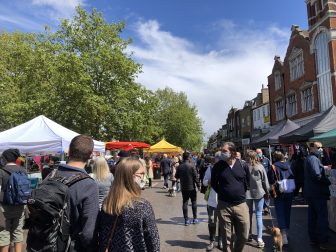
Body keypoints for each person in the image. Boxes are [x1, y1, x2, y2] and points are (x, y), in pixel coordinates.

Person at [98, 157, 160, 251]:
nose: (144, 177)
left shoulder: (107, 203)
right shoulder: (142, 206)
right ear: (131, 176)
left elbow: (102, 234)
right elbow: (153, 242)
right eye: (142, 174)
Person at [52, 135, 99, 251]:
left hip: (44, 243)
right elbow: (89, 233)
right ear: (90, 155)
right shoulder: (88, 184)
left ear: (69, 151)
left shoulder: (51, 175)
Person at [211, 142, 250, 252]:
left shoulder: (243, 165)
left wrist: (240, 192)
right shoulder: (218, 166)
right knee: (226, 239)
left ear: (232, 152)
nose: (222, 153)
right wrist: (223, 192)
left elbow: (248, 181)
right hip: (224, 206)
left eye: (224, 151)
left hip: (241, 205)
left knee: (243, 236)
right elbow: (213, 183)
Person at [304, 142, 335, 250]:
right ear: (312, 148)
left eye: (321, 147)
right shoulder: (313, 159)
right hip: (317, 193)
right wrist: (327, 181)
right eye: (318, 147)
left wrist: (324, 168)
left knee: (313, 217)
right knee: (321, 218)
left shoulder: (312, 159)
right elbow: (317, 175)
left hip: (312, 193)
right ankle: (323, 242)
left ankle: (315, 240)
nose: (321, 149)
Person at [0, 149, 27, 252]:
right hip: (20, 206)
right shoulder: (23, 171)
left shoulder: (1, 171)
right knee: (18, 231)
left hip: (4, 208)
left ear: (5, 158)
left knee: (4, 232)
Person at [268, 151, 294, 246]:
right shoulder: (288, 165)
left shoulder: (274, 166)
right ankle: (286, 231)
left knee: (280, 213)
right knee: (287, 211)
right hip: (289, 190)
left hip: (279, 192)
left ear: (274, 158)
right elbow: (292, 176)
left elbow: (270, 179)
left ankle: (283, 234)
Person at [245, 150, 270, 248]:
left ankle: (249, 235)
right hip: (259, 193)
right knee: (259, 215)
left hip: (247, 194)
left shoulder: (245, 167)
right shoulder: (260, 166)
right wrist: (267, 193)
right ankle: (259, 238)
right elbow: (265, 182)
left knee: (249, 215)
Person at [175, 151, 200, 226]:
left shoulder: (180, 166)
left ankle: (186, 220)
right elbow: (196, 177)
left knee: (185, 203)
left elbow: (176, 176)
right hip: (192, 187)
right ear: (189, 157)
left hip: (184, 187)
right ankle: (195, 219)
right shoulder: (192, 166)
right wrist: (198, 185)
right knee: (194, 202)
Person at [203, 156, 222, 251]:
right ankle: (212, 241)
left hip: (223, 200)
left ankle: (221, 241)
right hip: (212, 200)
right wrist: (209, 181)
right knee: (211, 221)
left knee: (222, 221)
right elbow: (204, 182)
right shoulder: (209, 169)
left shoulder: (225, 170)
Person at [256, 148, 271, 215]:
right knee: (262, 194)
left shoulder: (266, 159)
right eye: (257, 153)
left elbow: (270, 169)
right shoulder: (255, 161)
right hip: (259, 181)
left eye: (259, 152)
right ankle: (263, 207)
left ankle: (266, 207)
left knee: (267, 194)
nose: (259, 154)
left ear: (262, 152)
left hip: (266, 180)